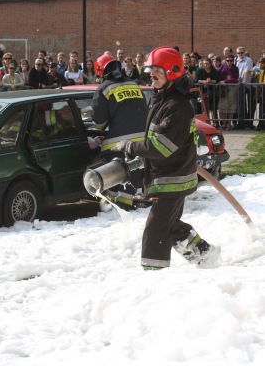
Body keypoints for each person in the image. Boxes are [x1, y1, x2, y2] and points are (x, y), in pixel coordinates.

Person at [112, 46, 220, 269]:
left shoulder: (176, 106)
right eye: (150, 70)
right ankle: (204, 255)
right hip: (168, 174)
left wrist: (132, 148)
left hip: (173, 178)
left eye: (157, 71)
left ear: (172, 72)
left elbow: (161, 147)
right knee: (169, 227)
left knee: (155, 231)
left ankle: (154, 276)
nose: (151, 75)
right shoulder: (161, 98)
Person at [91, 53, 148, 210]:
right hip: (143, 142)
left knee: (117, 175)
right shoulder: (133, 84)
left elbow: (99, 123)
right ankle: (129, 203)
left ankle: (117, 207)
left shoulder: (104, 88)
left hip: (119, 145)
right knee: (134, 174)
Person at [234, 47, 253, 129]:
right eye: (239, 53)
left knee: (243, 102)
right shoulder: (235, 60)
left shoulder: (248, 60)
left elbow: (247, 71)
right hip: (237, 83)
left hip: (244, 83)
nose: (240, 54)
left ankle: (244, 121)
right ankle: (241, 121)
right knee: (240, 103)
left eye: (242, 52)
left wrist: (244, 80)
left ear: (244, 52)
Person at [197, 57, 219, 126]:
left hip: (212, 91)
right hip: (203, 91)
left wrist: (210, 81)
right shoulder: (201, 70)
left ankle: (216, 123)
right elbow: (198, 80)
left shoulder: (214, 71)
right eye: (204, 64)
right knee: (205, 107)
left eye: (207, 63)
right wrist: (205, 81)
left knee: (213, 108)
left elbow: (216, 80)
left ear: (210, 64)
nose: (205, 65)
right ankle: (207, 122)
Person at [218, 56, 239, 130]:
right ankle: (224, 123)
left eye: (231, 60)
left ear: (233, 61)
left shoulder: (235, 68)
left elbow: (235, 78)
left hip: (232, 88)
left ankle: (229, 123)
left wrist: (226, 81)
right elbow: (218, 76)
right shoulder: (222, 67)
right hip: (223, 89)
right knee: (222, 106)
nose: (229, 62)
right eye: (227, 60)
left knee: (231, 107)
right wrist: (221, 81)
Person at [255, 58, 265, 130]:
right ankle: (260, 124)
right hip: (262, 92)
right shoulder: (261, 72)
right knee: (261, 108)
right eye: (259, 63)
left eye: (261, 63)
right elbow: (260, 82)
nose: (260, 65)